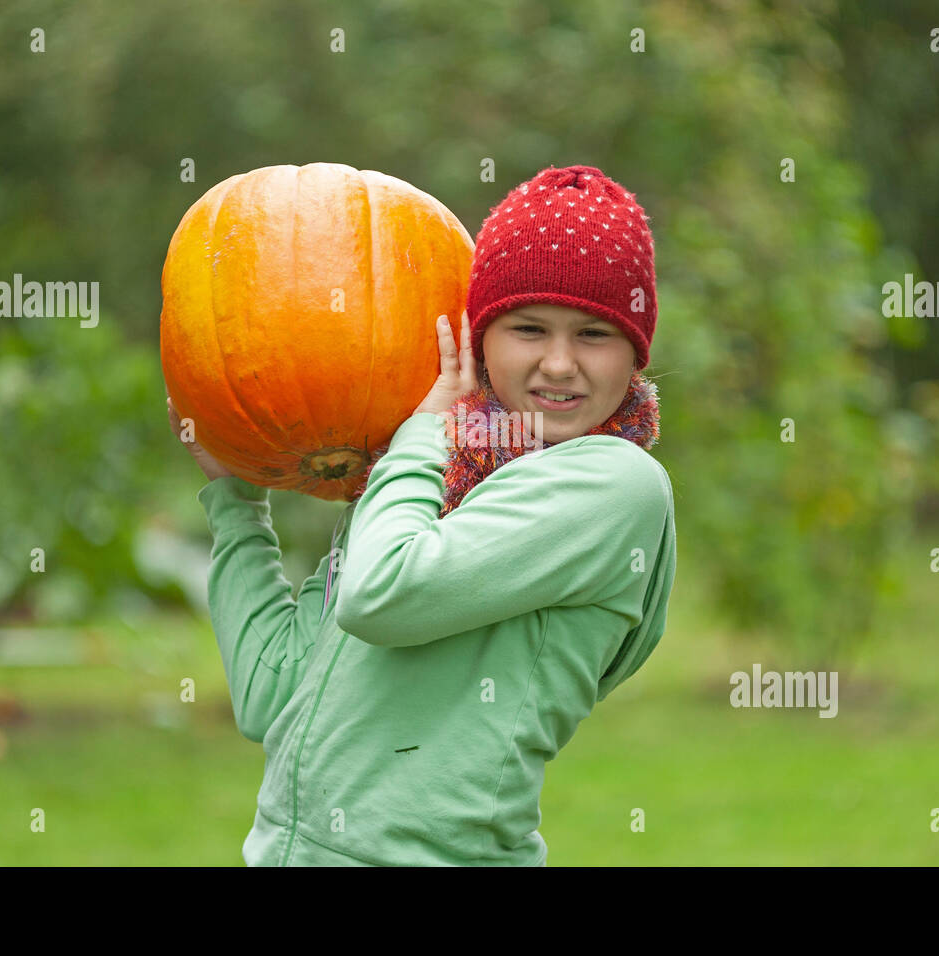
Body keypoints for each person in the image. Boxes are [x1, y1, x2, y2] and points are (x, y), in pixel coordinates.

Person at [168, 164, 676, 866]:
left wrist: (423, 435)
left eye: (594, 335)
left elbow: (380, 596)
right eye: (529, 328)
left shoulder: (614, 485)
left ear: (635, 352)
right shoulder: (430, 487)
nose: (559, 364)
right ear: (478, 339)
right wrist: (235, 496)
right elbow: (271, 693)